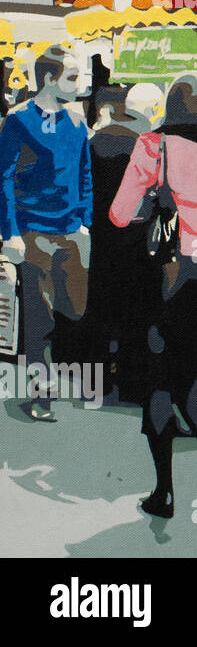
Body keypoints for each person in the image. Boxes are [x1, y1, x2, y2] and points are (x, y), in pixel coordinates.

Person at [110, 74, 197, 519]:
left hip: (156, 275)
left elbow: (119, 212)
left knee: (157, 381)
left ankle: (163, 490)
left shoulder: (152, 146)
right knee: (186, 377)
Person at [0, 45, 92, 422]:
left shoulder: (76, 120)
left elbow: (85, 174)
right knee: (40, 321)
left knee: (74, 310)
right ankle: (41, 396)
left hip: (71, 232)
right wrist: (11, 233)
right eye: (73, 77)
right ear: (50, 79)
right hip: (33, 231)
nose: (81, 84)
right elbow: (3, 177)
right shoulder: (18, 119)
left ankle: (64, 383)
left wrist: (85, 222)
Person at [86, 82, 163, 403]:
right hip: (140, 243)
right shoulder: (151, 145)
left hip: (100, 240)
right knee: (139, 315)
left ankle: (95, 382)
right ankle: (133, 383)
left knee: (99, 311)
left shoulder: (95, 142)